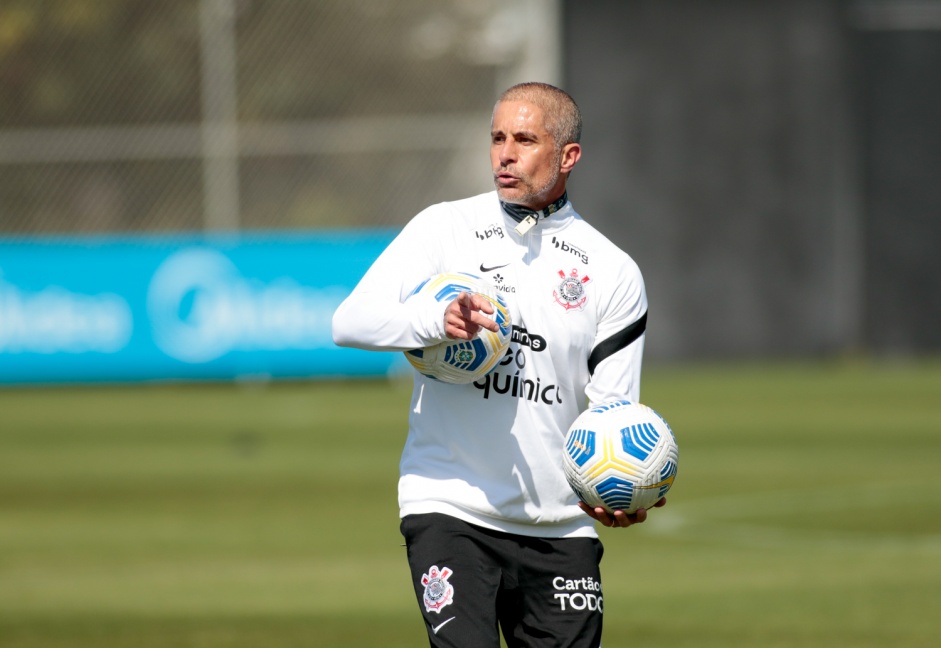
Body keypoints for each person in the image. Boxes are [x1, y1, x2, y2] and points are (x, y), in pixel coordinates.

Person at [332, 82, 663, 648]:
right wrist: (437, 320)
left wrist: (621, 491)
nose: (505, 154)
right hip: (450, 507)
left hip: (560, 528)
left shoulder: (613, 272)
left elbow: (612, 412)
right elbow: (350, 321)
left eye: (525, 139)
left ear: (568, 156)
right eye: (497, 138)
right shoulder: (445, 228)